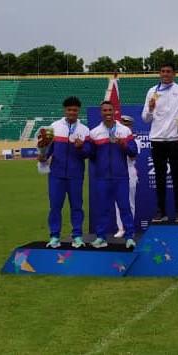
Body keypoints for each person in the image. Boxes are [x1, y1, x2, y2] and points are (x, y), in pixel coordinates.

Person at [141, 63, 178, 222]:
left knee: (177, 178)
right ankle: (161, 211)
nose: (165, 74)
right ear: (159, 73)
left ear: (174, 74)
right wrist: (150, 108)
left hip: (175, 140)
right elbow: (145, 118)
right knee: (160, 178)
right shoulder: (152, 91)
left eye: (169, 71)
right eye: (163, 71)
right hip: (157, 140)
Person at [39, 96, 90, 249]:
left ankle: (77, 237)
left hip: (76, 175)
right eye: (69, 110)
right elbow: (48, 150)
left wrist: (81, 147)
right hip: (56, 174)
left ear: (78, 111)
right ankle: (54, 237)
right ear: (65, 110)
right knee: (55, 206)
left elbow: (88, 153)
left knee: (77, 207)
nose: (72, 112)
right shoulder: (54, 127)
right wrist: (43, 156)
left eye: (75, 110)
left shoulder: (84, 130)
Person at [89, 101, 138, 249]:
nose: (107, 112)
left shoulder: (125, 131)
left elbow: (133, 151)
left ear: (114, 111)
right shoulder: (95, 132)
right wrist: (81, 147)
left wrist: (123, 144)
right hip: (102, 177)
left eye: (110, 109)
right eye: (104, 110)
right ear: (101, 112)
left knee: (124, 208)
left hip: (120, 176)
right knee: (102, 209)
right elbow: (91, 154)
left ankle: (129, 237)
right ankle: (101, 238)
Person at [114, 115, 141, 238]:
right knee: (118, 202)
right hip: (117, 171)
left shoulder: (136, 141)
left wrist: (124, 145)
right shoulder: (115, 138)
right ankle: (121, 228)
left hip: (129, 170)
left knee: (130, 202)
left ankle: (129, 227)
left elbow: (133, 156)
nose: (126, 127)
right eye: (123, 124)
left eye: (128, 125)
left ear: (131, 127)